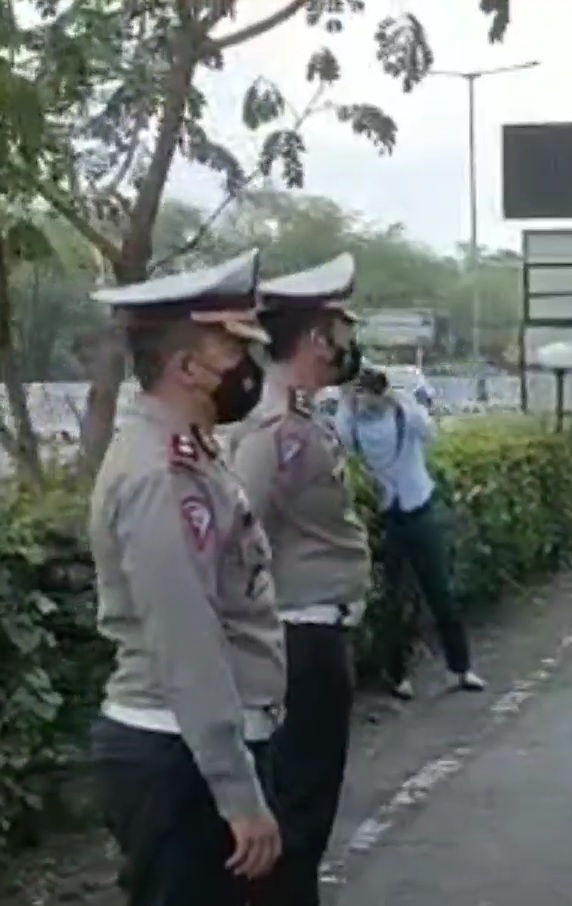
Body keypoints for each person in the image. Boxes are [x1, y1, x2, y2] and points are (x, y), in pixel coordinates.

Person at [87, 248, 285, 906]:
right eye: (234, 352)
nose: (249, 370)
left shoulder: (191, 458)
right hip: (176, 755)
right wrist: (237, 792)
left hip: (187, 747)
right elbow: (188, 641)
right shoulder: (163, 475)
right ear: (188, 366)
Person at [229, 253, 372, 906]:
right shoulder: (277, 432)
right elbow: (237, 539)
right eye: (342, 327)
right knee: (295, 819)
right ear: (316, 337)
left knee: (307, 820)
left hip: (316, 638)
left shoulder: (303, 419)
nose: (348, 341)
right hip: (296, 644)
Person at [336, 366, 485, 697]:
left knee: (440, 593)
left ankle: (460, 668)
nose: (366, 403)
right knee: (394, 600)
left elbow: (429, 432)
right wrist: (346, 403)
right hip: (388, 515)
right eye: (360, 396)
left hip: (419, 509)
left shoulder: (404, 415)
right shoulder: (353, 423)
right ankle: (397, 673)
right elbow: (341, 441)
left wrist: (402, 399)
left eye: (370, 395)